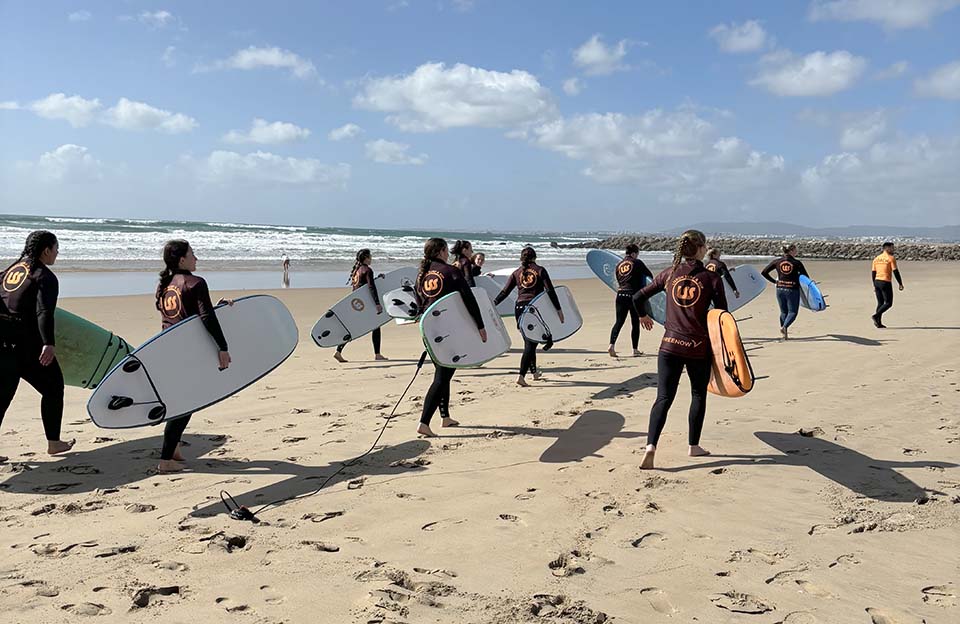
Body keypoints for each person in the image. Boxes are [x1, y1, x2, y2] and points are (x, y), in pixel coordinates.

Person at [632, 230, 726, 470]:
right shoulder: (711, 278)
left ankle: (651, 446)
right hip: (697, 347)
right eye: (705, 246)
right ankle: (693, 446)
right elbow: (722, 316)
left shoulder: (669, 273)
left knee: (663, 397)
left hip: (669, 345)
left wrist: (643, 315)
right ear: (701, 249)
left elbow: (637, 297)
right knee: (698, 394)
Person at [155, 240, 232, 473]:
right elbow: (206, 318)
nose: (196, 258)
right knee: (187, 402)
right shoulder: (196, 283)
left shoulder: (165, 285)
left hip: (167, 349)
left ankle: (174, 449)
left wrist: (214, 305)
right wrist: (222, 346)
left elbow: (176, 315)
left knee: (183, 399)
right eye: (192, 254)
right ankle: (166, 459)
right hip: (188, 351)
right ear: (182, 260)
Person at [0, 231, 74, 455]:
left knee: (1, 398)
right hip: (26, 345)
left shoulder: (7, 272)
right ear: (46, 250)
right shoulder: (44, 276)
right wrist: (48, 343)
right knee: (53, 387)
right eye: (56, 248)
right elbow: (44, 311)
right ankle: (54, 442)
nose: (57, 253)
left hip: (2, 343)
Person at [415, 238, 486, 437]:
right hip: (448, 330)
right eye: (445, 250)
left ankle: (445, 417)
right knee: (443, 375)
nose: (448, 253)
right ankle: (424, 422)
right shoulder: (451, 272)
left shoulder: (422, 275)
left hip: (428, 329)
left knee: (444, 372)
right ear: (440, 251)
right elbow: (468, 298)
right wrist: (480, 325)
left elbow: (418, 301)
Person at [494, 247, 563, 387]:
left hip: (519, 308)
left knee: (531, 339)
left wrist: (493, 304)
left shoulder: (516, 273)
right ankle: (521, 376)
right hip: (534, 308)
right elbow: (550, 291)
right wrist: (558, 309)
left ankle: (534, 372)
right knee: (530, 344)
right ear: (535, 257)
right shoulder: (540, 270)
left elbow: (504, 292)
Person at [334, 249, 387, 363]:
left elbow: (361, 286)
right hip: (366, 304)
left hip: (357, 303)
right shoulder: (368, 270)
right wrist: (377, 304)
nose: (371, 258)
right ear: (366, 257)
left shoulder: (357, 270)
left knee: (352, 327)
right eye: (370, 256)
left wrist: (377, 279)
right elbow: (371, 287)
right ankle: (377, 354)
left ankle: (338, 351)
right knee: (376, 326)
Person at [607, 243, 653, 358]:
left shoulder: (619, 265)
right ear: (633, 253)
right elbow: (649, 276)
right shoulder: (637, 262)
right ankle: (635, 349)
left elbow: (618, 280)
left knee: (619, 322)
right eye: (637, 254)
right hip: (634, 296)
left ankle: (611, 345)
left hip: (621, 294)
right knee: (635, 322)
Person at [761, 243, 810, 340]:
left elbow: (764, 272)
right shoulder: (797, 263)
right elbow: (806, 278)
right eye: (795, 250)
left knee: (783, 312)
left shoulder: (777, 262)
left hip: (779, 289)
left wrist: (775, 281)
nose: (797, 251)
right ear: (791, 251)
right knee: (792, 312)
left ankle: (784, 334)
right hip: (792, 289)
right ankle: (784, 327)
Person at [871, 242, 904, 328]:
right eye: (892, 248)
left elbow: (873, 273)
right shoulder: (891, 258)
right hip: (885, 282)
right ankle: (876, 316)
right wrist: (900, 283)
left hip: (877, 281)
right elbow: (895, 271)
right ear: (887, 248)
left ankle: (878, 323)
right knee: (889, 303)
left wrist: (874, 284)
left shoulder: (876, 258)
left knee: (880, 303)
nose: (893, 249)